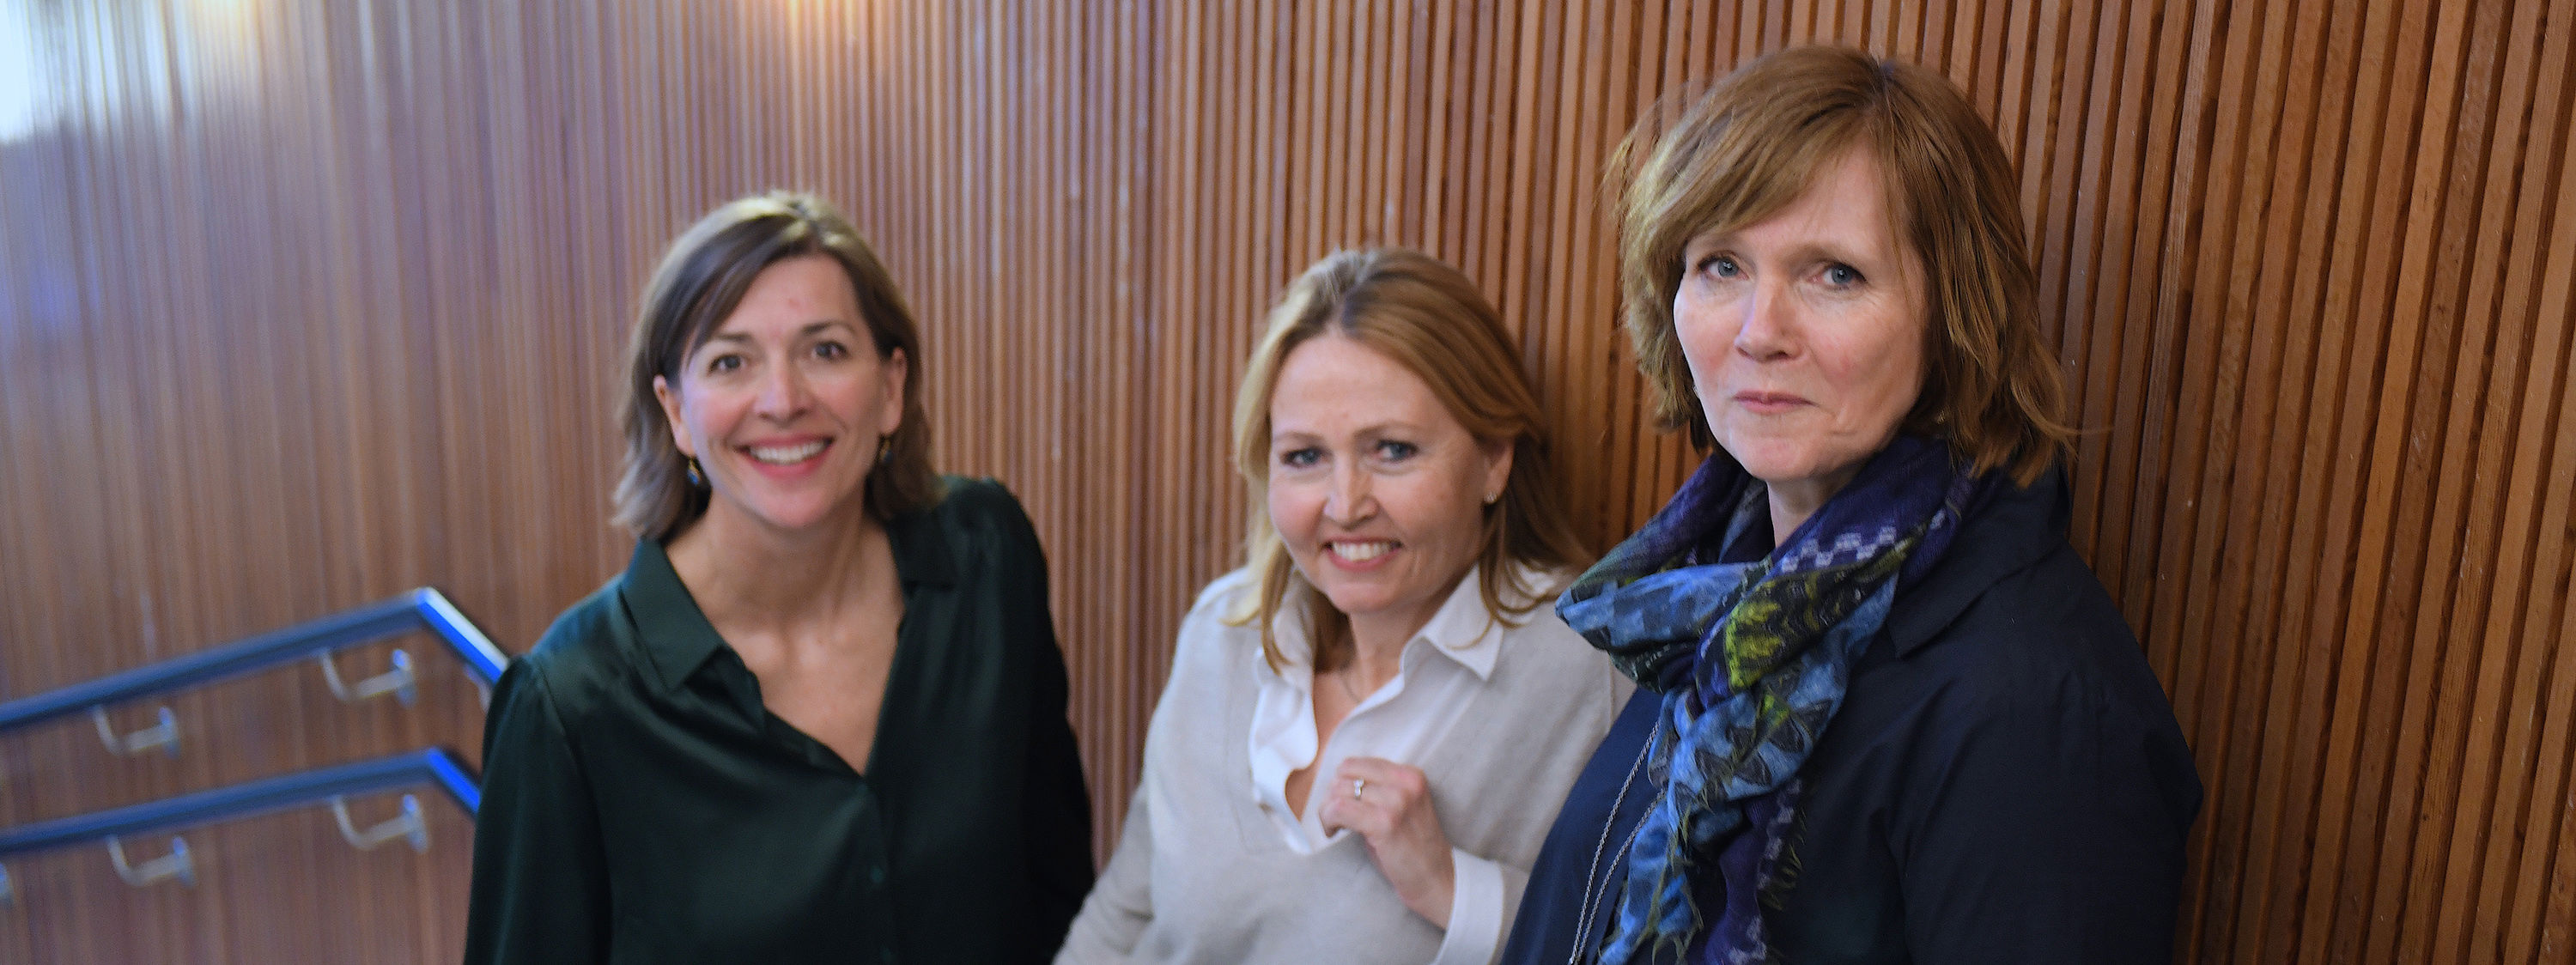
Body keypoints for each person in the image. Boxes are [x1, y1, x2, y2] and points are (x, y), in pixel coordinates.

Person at [1499, 46, 2202, 964]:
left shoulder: (2032, 715)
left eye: (1835, 273)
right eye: (1720, 265)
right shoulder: (1718, 606)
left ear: (1955, 314)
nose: (1760, 332)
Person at [464, 191, 1092, 965]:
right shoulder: (569, 705)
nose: (784, 400)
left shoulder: (987, 558)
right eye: (731, 362)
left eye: (824, 350)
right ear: (678, 414)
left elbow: (1061, 895)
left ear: (891, 387)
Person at [1057, 248, 1632, 964]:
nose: (1344, 505)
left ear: (1494, 459)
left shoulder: (1589, 671)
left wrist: (1455, 889)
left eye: (1392, 449)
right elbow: (1123, 918)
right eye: (1304, 456)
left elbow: (1640, 949)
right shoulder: (1222, 632)